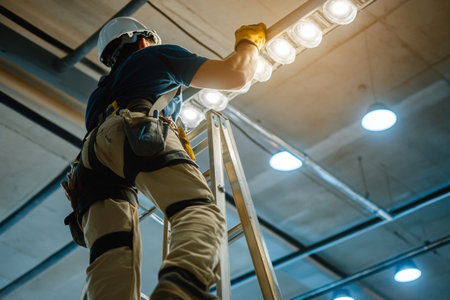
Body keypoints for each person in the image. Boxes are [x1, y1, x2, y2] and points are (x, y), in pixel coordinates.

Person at [63, 16, 266, 300]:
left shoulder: (97, 97)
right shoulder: (154, 55)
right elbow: (236, 75)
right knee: (198, 211)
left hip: (88, 165)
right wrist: (249, 44)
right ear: (143, 40)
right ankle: (179, 290)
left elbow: (106, 136)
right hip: (134, 129)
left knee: (111, 252)